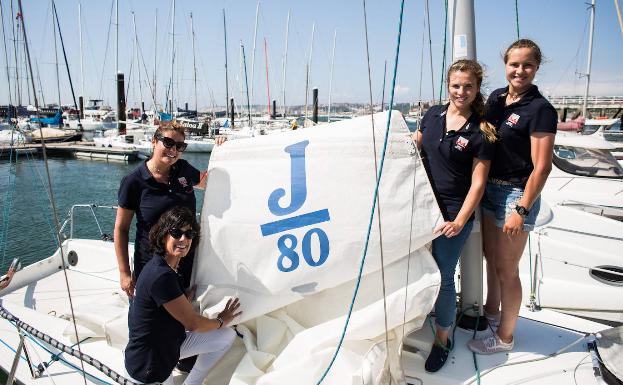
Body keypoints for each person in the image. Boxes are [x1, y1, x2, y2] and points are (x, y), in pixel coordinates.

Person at [468, 39, 556, 355]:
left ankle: (505, 337)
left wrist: (521, 207)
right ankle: (492, 313)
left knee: (507, 269)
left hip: (515, 194)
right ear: (506, 66)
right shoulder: (497, 97)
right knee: (491, 258)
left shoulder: (540, 109)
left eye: (527, 65)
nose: (520, 71)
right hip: (490, 188)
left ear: (536, 67)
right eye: (514, 64)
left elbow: (542, 168)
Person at [115, 121, 225, 371]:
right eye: (168, 143)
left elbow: (209, 181)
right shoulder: (134, 182)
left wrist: (222, 152)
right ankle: (144, 365)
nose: (174, 150)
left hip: (183, 259)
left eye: (180, 145)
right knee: (148, 318)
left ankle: (182, 358)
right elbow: (121, 229)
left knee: (181, 308)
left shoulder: (183, 170)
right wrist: (124, 272)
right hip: (150, 265)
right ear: (154, 142)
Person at [413, 59, 496, 372]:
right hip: (422, 208)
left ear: (476, 89)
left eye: (468, 86)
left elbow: (478, 183)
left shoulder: (481, 131)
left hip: (452, 216)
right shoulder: (432, 114)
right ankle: (422, 315)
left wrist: (461, 220)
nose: (461, 91)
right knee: (420, 268)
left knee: (443, 276)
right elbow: (416, 144)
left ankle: (444, 337)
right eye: (456, 85)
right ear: (448, 86)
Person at [125, 206, 241, 385]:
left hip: (167, 346)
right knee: (222, 330)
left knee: (226, 337)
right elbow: (193, 324)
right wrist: (221, 320)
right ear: (163, 235)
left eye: (189, 234)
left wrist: (183, 298)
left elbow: (163, 307)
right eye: (176, 232)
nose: (183, 239)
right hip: (149, 366)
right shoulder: (161, 276)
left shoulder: (165, 268)